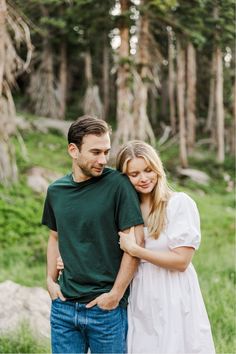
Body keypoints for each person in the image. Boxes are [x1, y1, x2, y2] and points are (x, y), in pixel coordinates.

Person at [42, 116, 144, 354]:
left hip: (105, 310)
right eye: (95, 152)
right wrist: (50, 280)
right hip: (64, 308)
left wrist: (115, 295)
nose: (103, 160)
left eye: (106, 151)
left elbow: (134, 244)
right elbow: (54, 237)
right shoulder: (56, 191)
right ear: (73, 150)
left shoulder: (118, 185)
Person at [116, 140, 216, 354]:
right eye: (134, 174)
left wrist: (137, 251)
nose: (143, 178)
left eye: (148, 170)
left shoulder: (178, 203)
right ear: (124, 177)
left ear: (157, 168)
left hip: (173, 292)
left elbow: (181, 261)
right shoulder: (127, 210)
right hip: (141, 293)